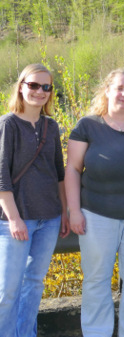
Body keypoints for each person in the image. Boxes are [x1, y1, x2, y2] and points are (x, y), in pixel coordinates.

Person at [65, 69, 124, 336]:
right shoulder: (87, 125)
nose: (123, 93)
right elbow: (72, 169)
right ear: (107, 90)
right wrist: (74, 211)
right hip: (97, 216)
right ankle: (98, 332)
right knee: (96, 280)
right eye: (118, 88)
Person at [0, 64, 69, 336]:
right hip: (15, 221)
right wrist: (14, 219)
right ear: (21, 86)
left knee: (34, 284)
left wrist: (64, 211)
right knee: (7, 291)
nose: (40, 91)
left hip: (49, 218)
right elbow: (1, 177)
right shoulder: (7, 124)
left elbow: (59, 173)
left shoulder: (51, 126)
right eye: (33, 85)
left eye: (46, 87)